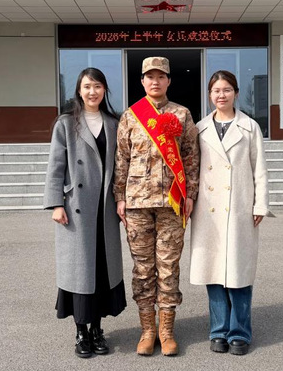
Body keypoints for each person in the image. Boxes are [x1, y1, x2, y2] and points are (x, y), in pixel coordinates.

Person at [114, 56, 200, 356]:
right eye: (150, 76)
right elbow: (121, 159)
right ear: (142, 81)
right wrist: (120, 197)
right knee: (142, 268)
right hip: (137, 202)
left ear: (168, 81)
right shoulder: (130, 116)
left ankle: (167, 330)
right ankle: (147, 330)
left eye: (161, 76)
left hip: (172, 202)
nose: (155, 81)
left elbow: (190, 156)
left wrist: (190, 194)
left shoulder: (182, 114)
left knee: (168, 266)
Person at [44, 68, 126, 358]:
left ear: (105, 90)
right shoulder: (66, 123)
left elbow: (121, 166)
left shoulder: (114, 123)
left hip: (105, 208)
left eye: (98, 86)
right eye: (87, 86)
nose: (93, 92)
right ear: (79, 90)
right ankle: (81, 331)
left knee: (102, 269)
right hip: (76, 207)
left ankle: (97, 329)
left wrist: (122, 199)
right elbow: (55, 166)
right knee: (80, 271)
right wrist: (56, 203)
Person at [189, 70, 273, 356]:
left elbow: (259, 169)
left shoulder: (249, 127)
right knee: (213, 273)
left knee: (239, 272)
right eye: (216, 91)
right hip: (209, 211)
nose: (221, 95)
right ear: (209, 95)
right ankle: (218, 330)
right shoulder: (200, 128)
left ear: (236, 93)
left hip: (239, 207)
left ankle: (240, 332)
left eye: (226, 90)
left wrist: (260, 204)